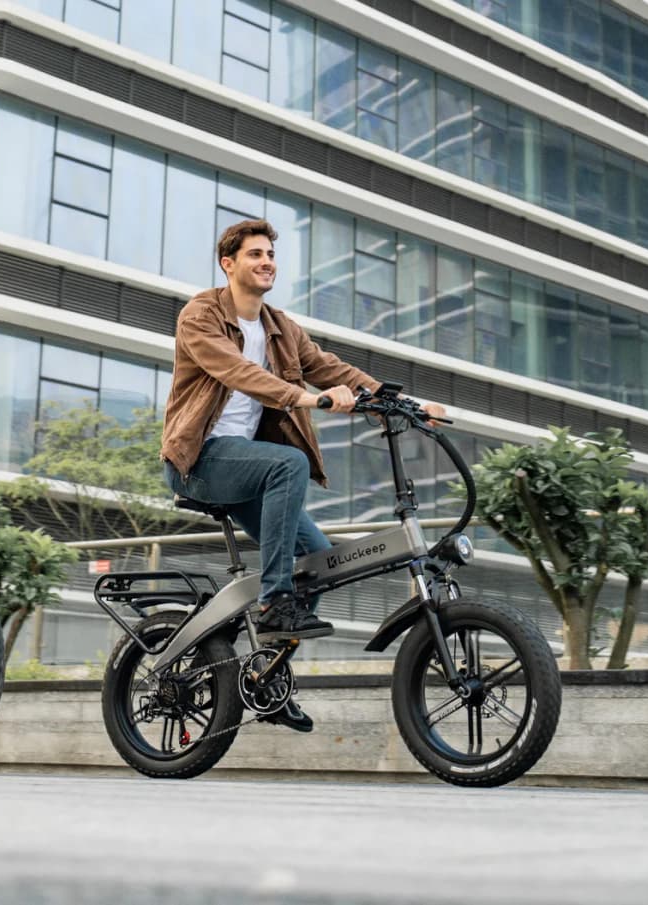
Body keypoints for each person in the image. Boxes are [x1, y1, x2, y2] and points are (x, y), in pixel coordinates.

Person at [160, 219, 445, 732]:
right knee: (287, 463)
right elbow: (235, 371)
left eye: (271, 254)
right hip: (198, 461)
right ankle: (272, 602)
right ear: (229, 263)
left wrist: (404, 403)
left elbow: (333, 369)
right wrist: (303, 397)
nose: (267, 261)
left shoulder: (280, 328)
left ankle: (268, 677)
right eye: (254, 254)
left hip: (249, 467)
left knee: (318, 562)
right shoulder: (201, 315)